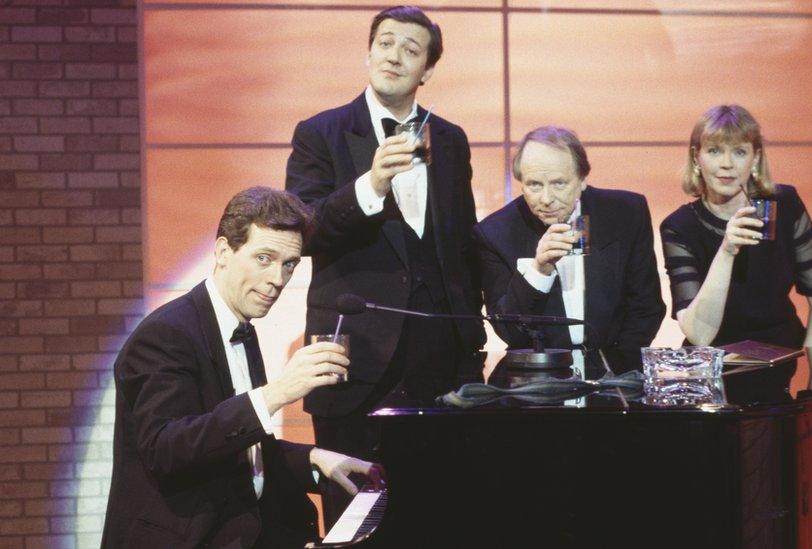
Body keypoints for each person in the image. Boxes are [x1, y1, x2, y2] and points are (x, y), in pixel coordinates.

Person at [285, 5, 485, 525]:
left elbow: (461, 249)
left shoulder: (451, 139)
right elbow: (303, 231)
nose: (394, 56)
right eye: (386, 43)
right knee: (359, 522)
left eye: (411, 49)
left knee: (439, 519)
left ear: (428, 71)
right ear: (369, 51)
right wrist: (369, 185)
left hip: (440, 368)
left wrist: (472, 349)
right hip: (354, 364)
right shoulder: (321, 133)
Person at [102, 187, 378, 549]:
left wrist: (314, 458)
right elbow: (167, 450)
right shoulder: (165, 334)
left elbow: (242, 447)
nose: (278, 279)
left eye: (289, 263)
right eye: (264, 258)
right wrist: (277, 392)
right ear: (222, 252)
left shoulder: (242, 329)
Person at [475, 126, 666, 374]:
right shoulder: (495, 233)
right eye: (534, 185)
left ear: (582, 179)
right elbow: (509, 330)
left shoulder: (627, 213)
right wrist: (538, 271)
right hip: (538, 377)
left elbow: (646, 307)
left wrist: (617, 370)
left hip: (616, 373)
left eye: (558, 183)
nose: (546, 198)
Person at [660, 104, 812, 349]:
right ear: (696, 158)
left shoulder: (783, 204)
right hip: (714, 367)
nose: (727, 164)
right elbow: (700, 336)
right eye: (714, 151)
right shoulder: (679, 227)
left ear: (755, 158)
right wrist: (727, 250)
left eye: (739, 152)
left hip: (781, 357)